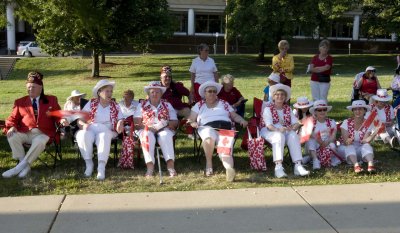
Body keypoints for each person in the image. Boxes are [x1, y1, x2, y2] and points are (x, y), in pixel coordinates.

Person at [2, 71, 68, 178]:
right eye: (28, 87)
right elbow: (12, 118)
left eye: (33, 87)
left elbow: (58, 115)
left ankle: (19, 167)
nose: (30, 89)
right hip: (26, 132)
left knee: (40, 141)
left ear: (40, 88)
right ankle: (25, 165)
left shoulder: (51, 100)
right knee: (12, 136)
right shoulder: (20, 102)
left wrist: (62, 120)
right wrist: (12, 126)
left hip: (44, 133)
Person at [188, 81, 248, 182]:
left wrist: (242, 120)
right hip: (207, 127)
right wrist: (192, 123)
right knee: (208, 137)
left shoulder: (224, 104)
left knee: (225, 151)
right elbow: (190, 119)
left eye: (214, 91)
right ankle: (209, 163)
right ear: (204, 93)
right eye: (209, 91)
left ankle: (229, 169)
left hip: (225, 128)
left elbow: (234, 116)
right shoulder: (199, 105)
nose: (212, 93)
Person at [75, 79, 124, 180]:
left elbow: (120, 119)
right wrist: (83, 125)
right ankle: (89, 164)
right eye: (107, 91)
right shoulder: (91, 103)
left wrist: (120, 123)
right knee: (82, 135)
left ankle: (101, 167)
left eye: (111, 91)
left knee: (104, 136)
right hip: (92, 128)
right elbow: (80, 120)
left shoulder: (116, 105)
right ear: (99, 92)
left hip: (109, 130)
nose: (110, 93)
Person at [259, 83, 310, 178]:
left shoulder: (287, 108)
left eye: (282, 95)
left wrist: (294, 127)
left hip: (284, 130)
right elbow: (269, 125)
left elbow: (296, 122)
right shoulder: (268, 109)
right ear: (273, 97)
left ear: (285, 97)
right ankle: (278, 167)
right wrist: (278, 129)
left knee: (293, 135)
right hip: (268, 130)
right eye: (277, 94)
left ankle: (298, 166)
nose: (280, 96)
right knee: (279, 136)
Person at [134, 81, 179, 177]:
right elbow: (136, 123)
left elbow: (175, 122)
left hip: (164, 128)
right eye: (152, 92)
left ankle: (170, 166)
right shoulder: (141, 105)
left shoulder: (167, 105)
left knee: (165, 135)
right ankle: (150, 167)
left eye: (157, 92)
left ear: (161, 93)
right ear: (148, 94)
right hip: (146, 128)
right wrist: (148, 127)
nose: (154, 94)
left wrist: (164, 123)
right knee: (147, 135)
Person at [339, 100, 376, 173]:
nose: (357, 111)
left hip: (360, 149)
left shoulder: (368, 123)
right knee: (350, 146)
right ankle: (356, 165)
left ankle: (370, 165)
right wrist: (348, 140)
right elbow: (346, 142)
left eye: (360, 109)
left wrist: (375, 132)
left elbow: (365, 140)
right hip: (345, 150)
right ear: (352, 111)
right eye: (355, 109)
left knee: (367, 145)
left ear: (365, 110)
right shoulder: (346, 122)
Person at [307, 100, 338, 169]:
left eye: (324, 109)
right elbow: (310, 135)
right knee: (311, 141)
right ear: (315, 112)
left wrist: (326, 142)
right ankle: (315, 160)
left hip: (328, 143)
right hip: (316, 144)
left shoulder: (331, 122)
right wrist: (320, 142)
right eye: (319, 110)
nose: (322, 112)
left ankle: (311, 158)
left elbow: (333, 136)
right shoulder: (311, 123)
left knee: (332, 146)